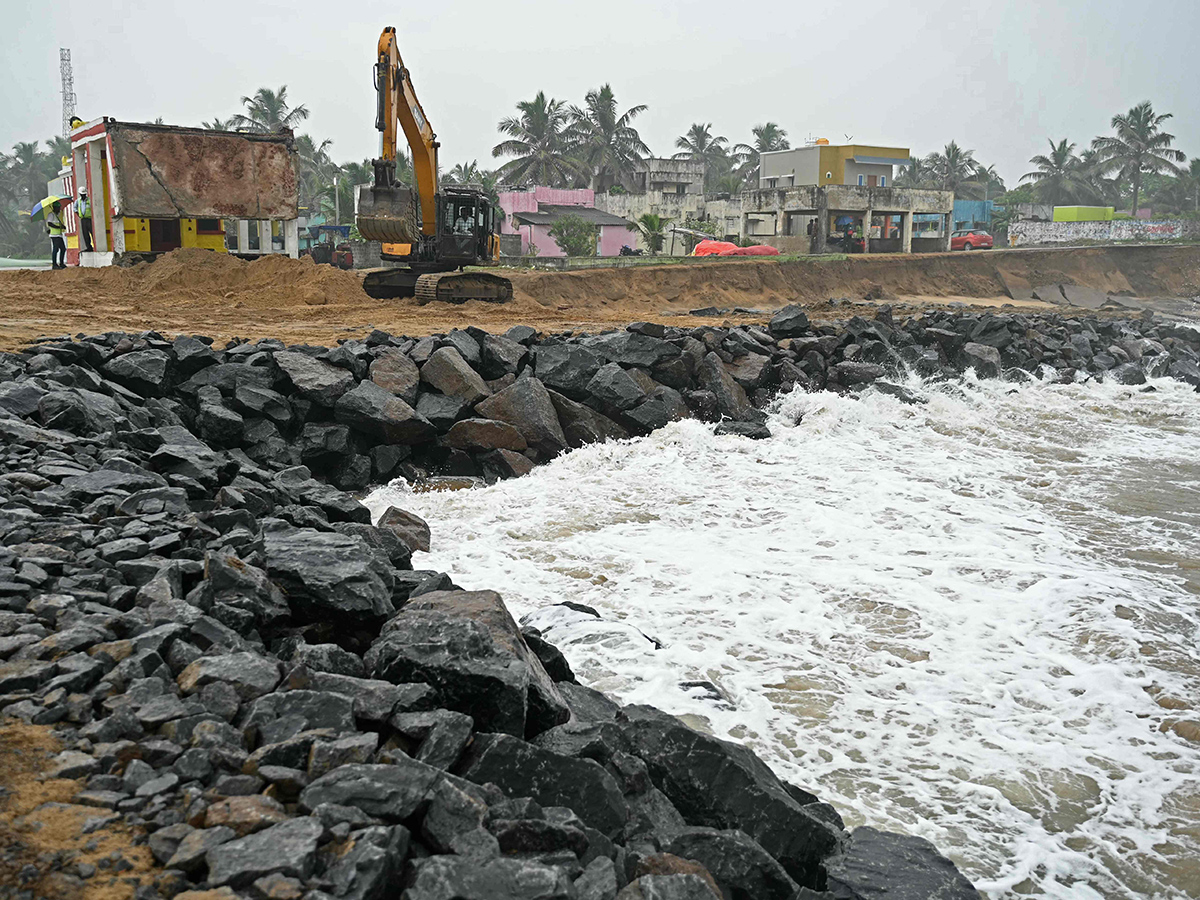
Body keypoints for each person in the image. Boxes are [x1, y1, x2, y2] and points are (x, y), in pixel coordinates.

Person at [46, 201, 67, 269]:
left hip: (59, 235)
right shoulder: (51, 215)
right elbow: (50, 224)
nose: (59, 209)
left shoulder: (58, 215)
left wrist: (62, 226)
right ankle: (54, 264)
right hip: (54, 235)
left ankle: (61, 263)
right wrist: (58, 227)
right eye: (57, 208)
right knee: (56, 249)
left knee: (63, 249)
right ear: (54, 208)